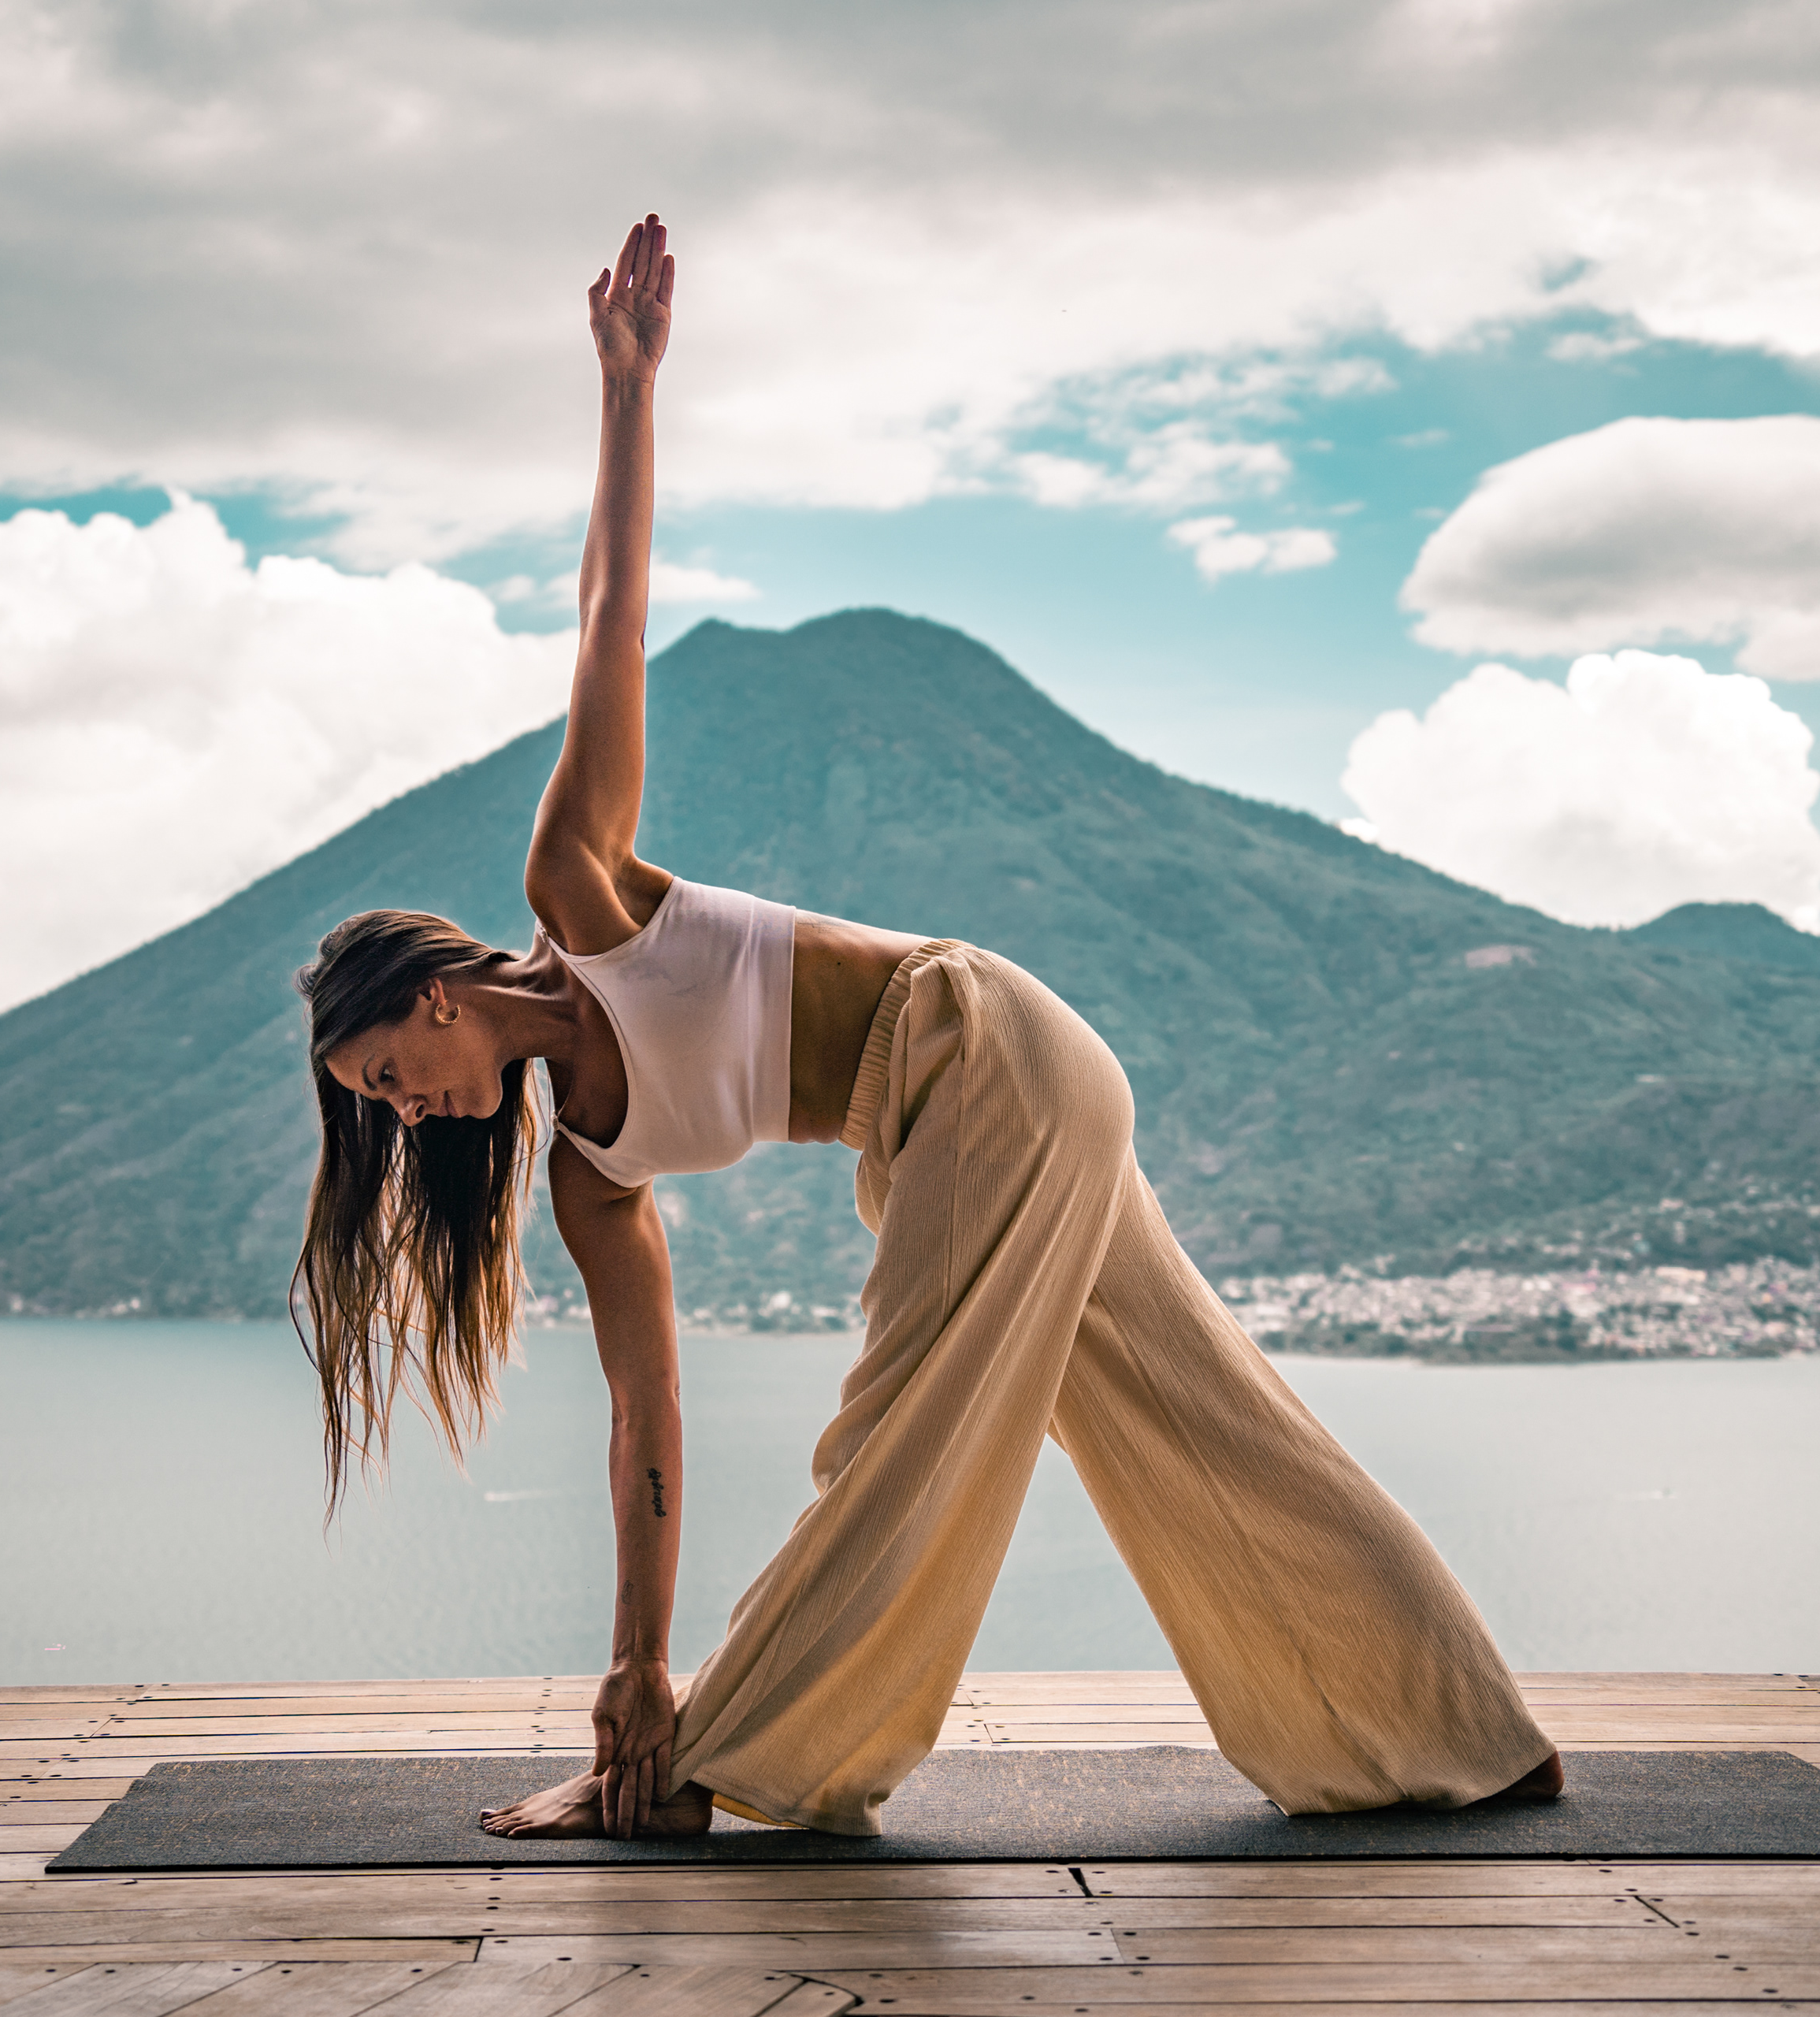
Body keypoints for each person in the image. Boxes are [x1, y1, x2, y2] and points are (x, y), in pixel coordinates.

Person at [291, 215, 1561, 1841]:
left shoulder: (579, 893)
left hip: (978, 1047)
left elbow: (611, 623)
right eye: (386, 1112)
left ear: (432, 994)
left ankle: (716, 1770)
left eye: (391, 1078)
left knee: (898, 1435)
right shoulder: (588, 1176)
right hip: (974, 1111)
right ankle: (1462, 1730)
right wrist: (634, 1659)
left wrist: (627, 388)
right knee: (1199, 1416)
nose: (408, 1114)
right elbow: (644, 1419)